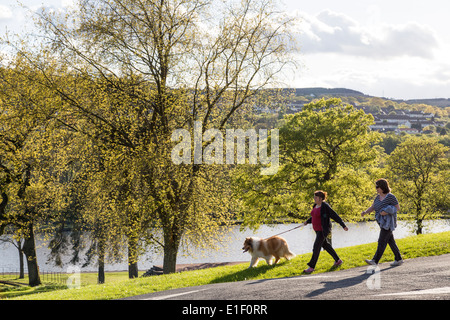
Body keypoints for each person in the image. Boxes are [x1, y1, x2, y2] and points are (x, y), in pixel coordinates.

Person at [303, 190, 348, 274]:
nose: (314, 198)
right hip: (316, 230)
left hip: (323, 230)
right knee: (326, 245)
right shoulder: (315, 206)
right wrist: (307, 221)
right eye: (314, 197)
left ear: (320, 198)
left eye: (316, 197)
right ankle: (338, 260)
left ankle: (311, 267)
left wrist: (343, 225)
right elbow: (314, 217)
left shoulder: (325, 206)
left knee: (316, 247)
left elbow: (335, 215)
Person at [361, 178, 403, 266]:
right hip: (381, 222)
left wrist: (387, 211)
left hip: (388, 223)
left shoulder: (391, 197)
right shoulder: (377, 197)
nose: (376, 188)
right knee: (390, 241)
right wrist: (365, 212)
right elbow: (373, 207)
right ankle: (398, 259)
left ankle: (375, 260)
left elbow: (397, 208)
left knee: (381, 241)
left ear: (383, 187)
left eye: (377, 186)